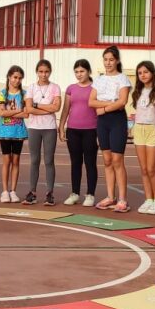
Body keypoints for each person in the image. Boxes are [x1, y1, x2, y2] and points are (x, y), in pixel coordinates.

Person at [90, 46, 131, 212]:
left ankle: (122, 199)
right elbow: (91, 102)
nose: (108, 63)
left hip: (117, 120)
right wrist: (110, 102)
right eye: (105, 59)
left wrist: (105, 108)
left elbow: (122, 102)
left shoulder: (123, 79)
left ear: (117, 61)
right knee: (106, 160)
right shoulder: (99, 80)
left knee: (117, 160)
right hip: (102, 121)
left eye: (111, 60)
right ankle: (110, 196)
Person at [59, 59, 97, 207]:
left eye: (82, 71)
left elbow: (98, 111)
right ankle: (75, 193)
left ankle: (90, 194)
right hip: (73, 130)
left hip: (90, 131)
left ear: (88, 71)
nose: (79, 74)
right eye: (76, 72)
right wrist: (61, 127)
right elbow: (66, 109)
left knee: (90, 163)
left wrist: (99, 133)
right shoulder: (71, 88)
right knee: (75, 163)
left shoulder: (95, 88)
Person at [25, 59, 61, 206]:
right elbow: (29, 109)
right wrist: (47, 107)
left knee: (48, 160)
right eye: (41, 71)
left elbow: (56, 108)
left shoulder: (55, 87)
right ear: (37, 72)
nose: (43, 74)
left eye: (46, 71)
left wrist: (37, 105)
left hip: (49, 128)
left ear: (50, 72)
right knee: (34, 160)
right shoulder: (31, 88)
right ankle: (32, 192)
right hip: (34, 127)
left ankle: (49, 192)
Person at [131, 60, 155, 214]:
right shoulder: (137, 92)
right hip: (139, 129)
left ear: (152, 73)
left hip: (153, 130)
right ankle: (148, 199)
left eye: (145, 72)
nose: (143, 75)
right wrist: (132, 127)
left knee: (152, 169)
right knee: (143, 169)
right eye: (140, 73)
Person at [0, 65, 28, 203]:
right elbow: (1, 112)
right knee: (6, 161)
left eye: (20, 78)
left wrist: (13, 112)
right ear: (9, 77)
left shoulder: (24, 94)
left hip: (18, 132)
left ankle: (13, 191)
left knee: (16, 161)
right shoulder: (2, 93)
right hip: (5, 131)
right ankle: (4, 191)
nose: (17, 80)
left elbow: (26, 114)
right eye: (15, 77)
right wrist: (18, 112)